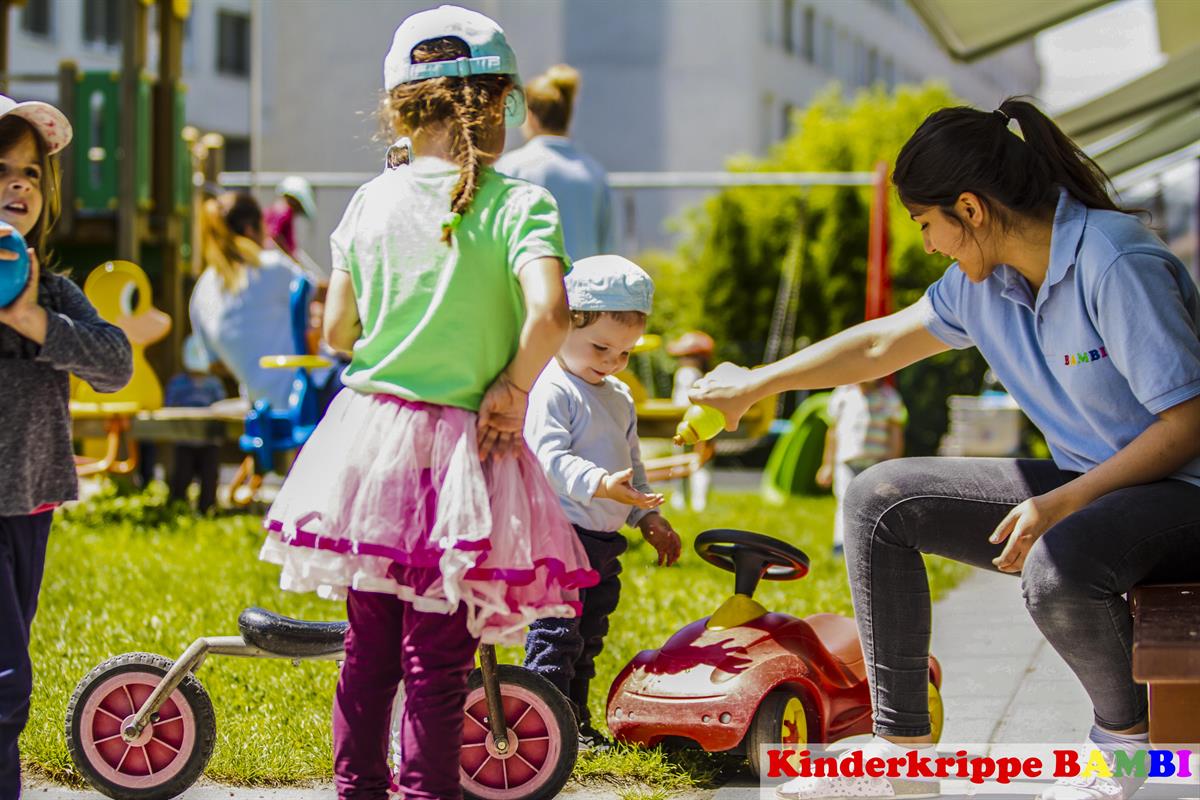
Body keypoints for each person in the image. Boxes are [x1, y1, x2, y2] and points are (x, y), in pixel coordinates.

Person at [689, 97, 1200, 800]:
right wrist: (755, 383)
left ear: (971, 208)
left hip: (1182, 494)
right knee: (879, 499)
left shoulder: (1113, 262)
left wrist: (1063, 502)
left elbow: (1187, 424)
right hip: (1093, 484)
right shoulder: (981, 284)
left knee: (1056, 564)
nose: (929, 243)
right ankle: (902, 754)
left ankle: (1124, 745)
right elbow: (878, 342)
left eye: (928, 224)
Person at [256, 8, 597, 799]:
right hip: (466, 451)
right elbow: (550, 313)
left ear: (402, 112)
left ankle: (357, 790)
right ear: (501, 104)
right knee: (437, 664)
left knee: (366, 653)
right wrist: (510, 387)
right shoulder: (520, 205)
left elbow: (339, 329)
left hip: (372, 443)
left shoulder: (369, 203)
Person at [0, 94, 132, 799]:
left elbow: (115, 366)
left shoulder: (51, 293)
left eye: (31, 173)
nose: (20, 184)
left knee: (8, 667)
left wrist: (32, 320)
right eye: (1, 170)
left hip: (29, 501)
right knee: (4, 683)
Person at [523, 255, 683, 747]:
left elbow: (631, 466)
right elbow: (546, 457)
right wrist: (598, 484)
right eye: (601, 347)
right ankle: (543, 728)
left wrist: (646, 515)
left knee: (588, 636)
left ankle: (574, 722)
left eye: (626, 353)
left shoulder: (617, 395)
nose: (613, 361)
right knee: (556, 635)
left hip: (602, 541)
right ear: (563, 324)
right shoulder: (552, 388)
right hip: (559, 534)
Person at [189, 191, 302, 410]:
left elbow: (214, 363)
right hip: (304, 396)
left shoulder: (201, 291)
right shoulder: (271, 266)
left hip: (259, 403)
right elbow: (324, 298)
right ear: (251, 230)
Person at [495, 63, 613, 260]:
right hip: (585, 287)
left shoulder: (512, 167)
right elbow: (609, 247)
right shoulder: (593, 173)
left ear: (530, 116)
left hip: (529, 288)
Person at [816, 379, 906, 556]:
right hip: (847, 462)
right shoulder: (842, 394)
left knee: (874, 503)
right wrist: (827, 465)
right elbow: (833, 432)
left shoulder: (889, 396)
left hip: (876, 463)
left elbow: (895, 432)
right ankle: (840, 545)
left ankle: (871, 544)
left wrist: (893, 465)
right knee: (845, 500)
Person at [163, 334, 227, 512]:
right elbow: (169, 406)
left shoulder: (214, 384)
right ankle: (177, 505)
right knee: (181, 475)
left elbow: (221, 406)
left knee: (209, 476)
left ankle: (207, 508)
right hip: (184, 438)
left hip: (209, 439)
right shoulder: (178, 383)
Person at [667, 330, 715, 512]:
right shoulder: (707, 376)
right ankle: (698, 502)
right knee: (701, 462)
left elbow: (681, 401)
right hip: (702, 424)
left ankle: (683, 499)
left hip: (685, 424)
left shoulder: (686, 373)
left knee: (683, 461)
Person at [265, 175, 331, 286]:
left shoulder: (274, 210)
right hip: (284, 268)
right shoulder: (285, 211)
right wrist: (291, 261)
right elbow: (275, 236)